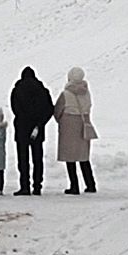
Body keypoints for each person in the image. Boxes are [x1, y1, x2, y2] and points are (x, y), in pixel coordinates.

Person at [52, 66, 97, 194]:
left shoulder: (65, 94)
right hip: (83, 125)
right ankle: (90, 184)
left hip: (68, 126)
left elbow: (57, 110)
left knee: (70, 157)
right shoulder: (87, 93)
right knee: (83, 156)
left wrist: (61, 120)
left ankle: (74, 185)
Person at [9, 67, 53, 195]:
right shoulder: (42, 90)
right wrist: (40, 123)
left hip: (22, 128)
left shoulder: (17, 90)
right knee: (37, 158)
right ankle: (37, 186)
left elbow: (15, 108)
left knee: (23, 159)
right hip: (37, 129)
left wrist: (23, 118)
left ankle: (25, 186)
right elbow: (49, 109)